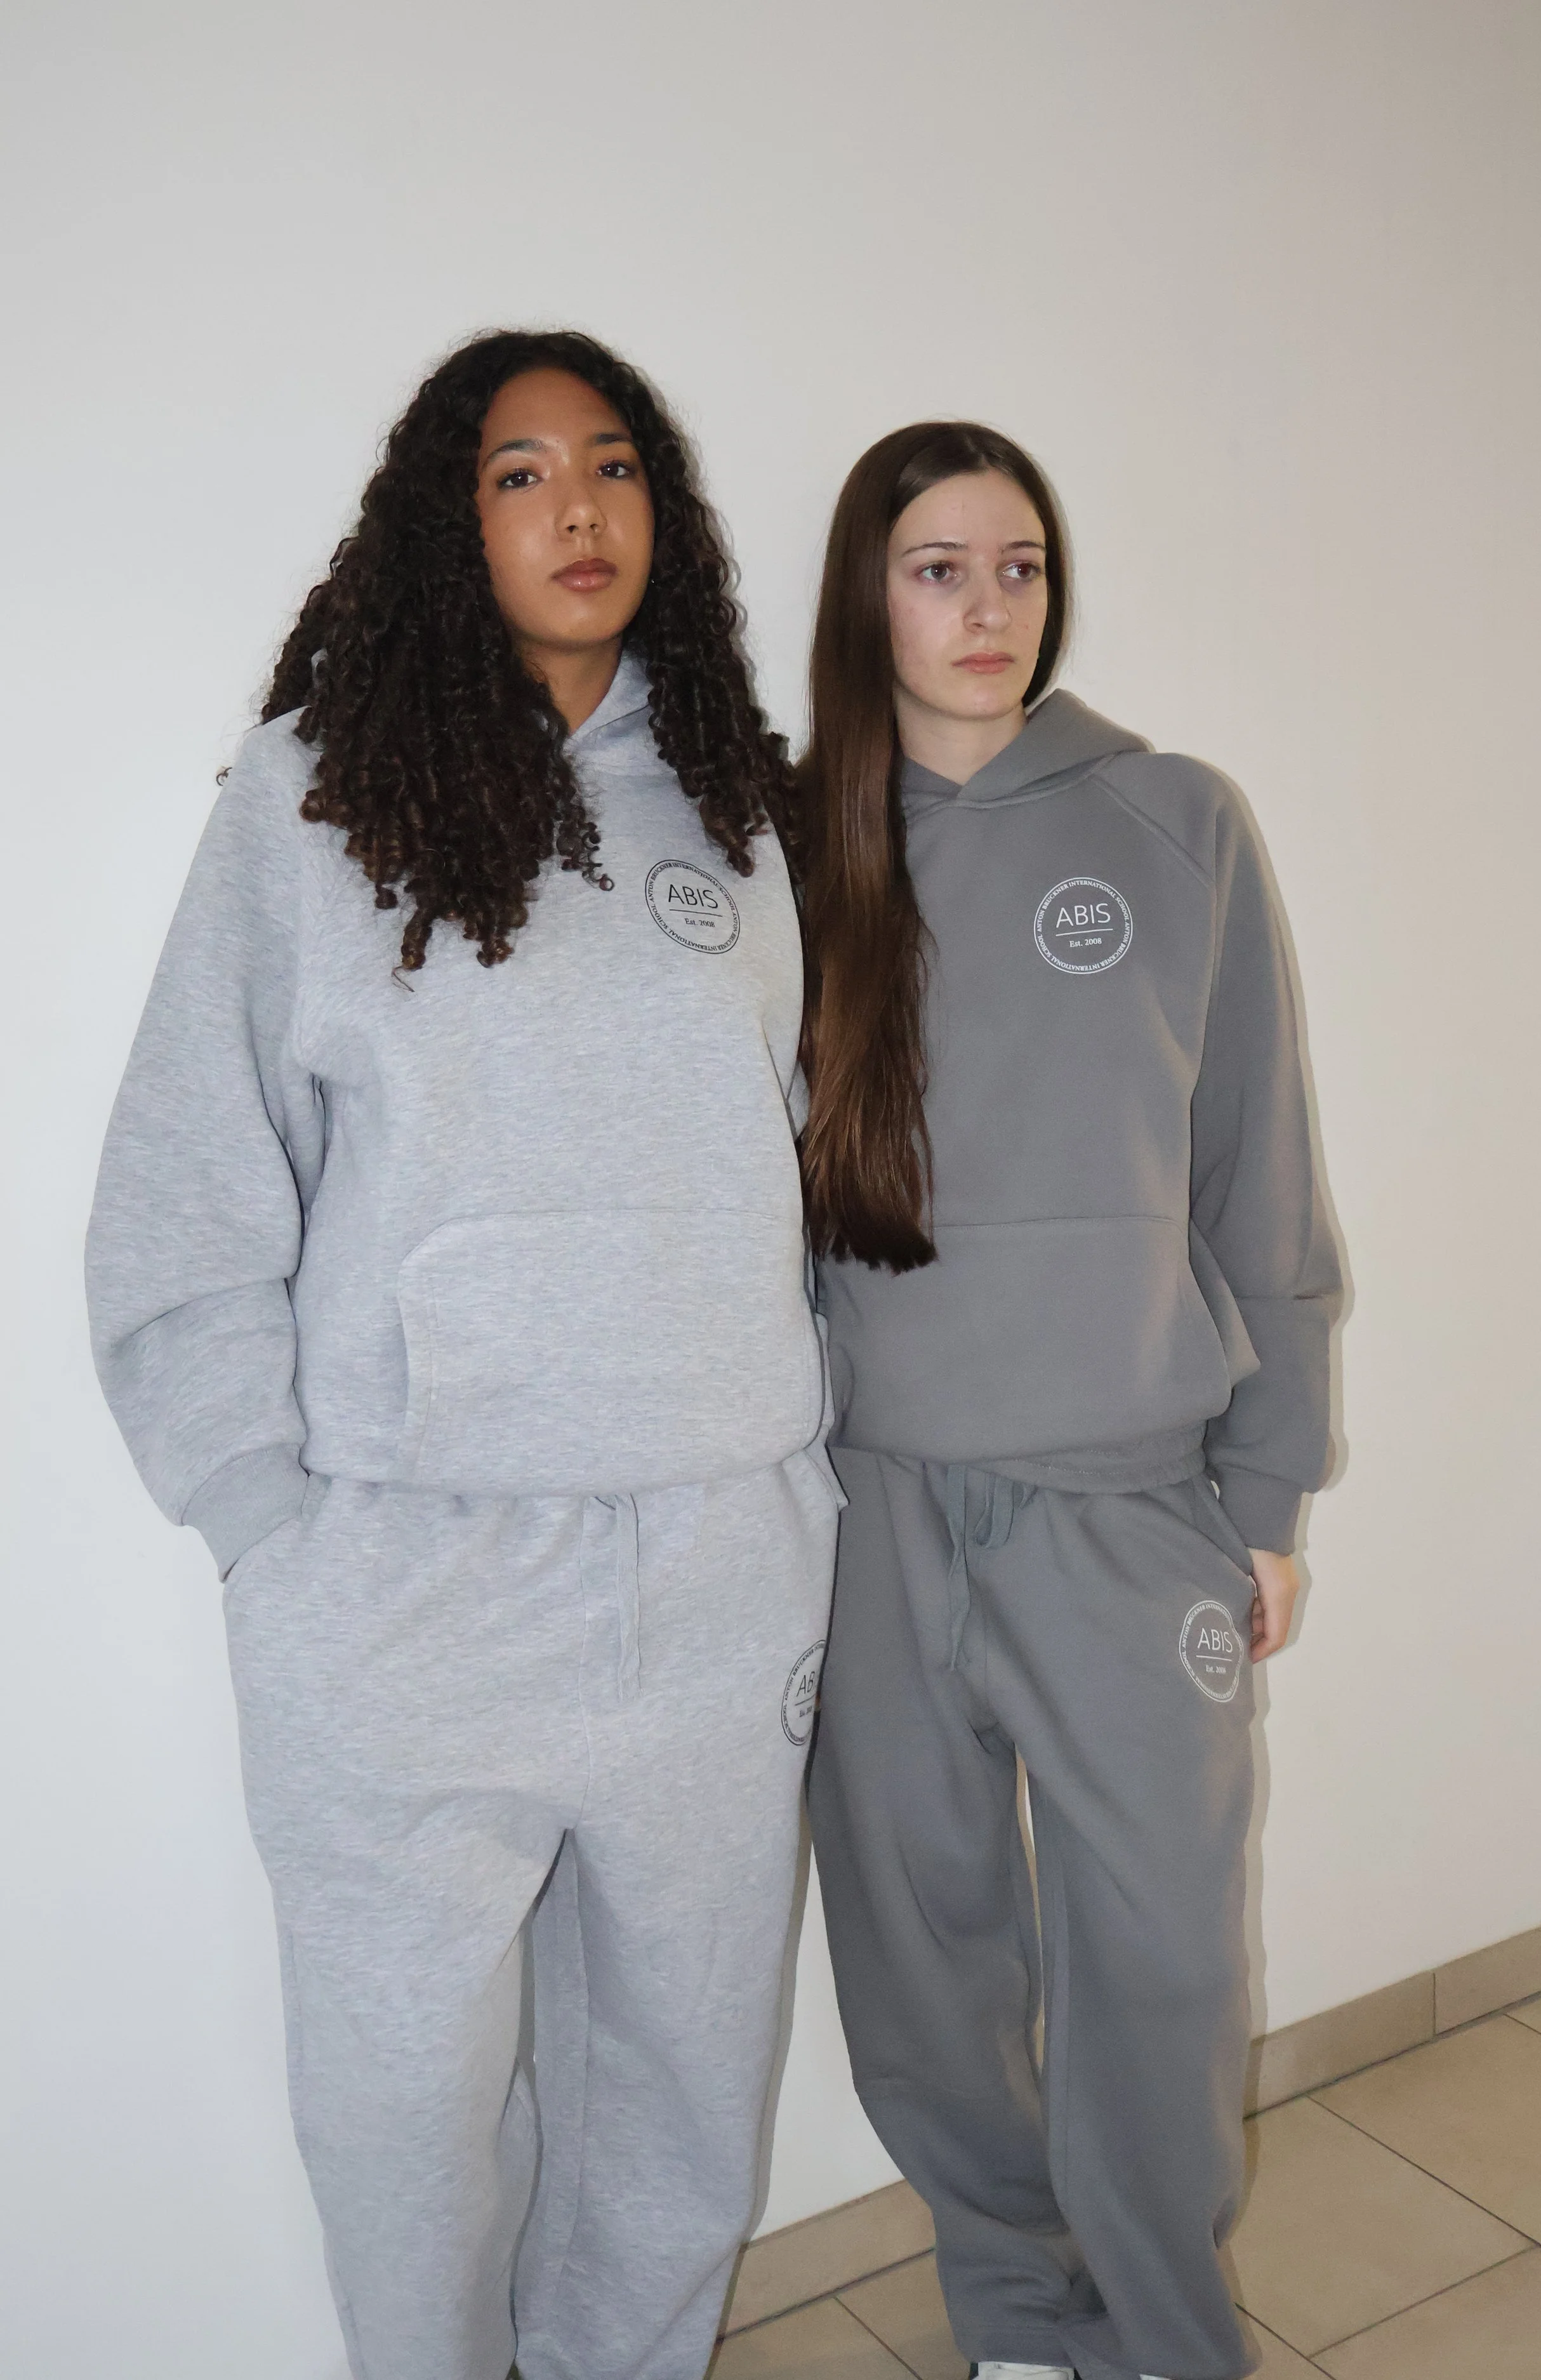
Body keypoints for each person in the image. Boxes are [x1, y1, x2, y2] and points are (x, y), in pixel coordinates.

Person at [86, 328, 840, 2380]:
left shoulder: (731, 814)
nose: (577, 507)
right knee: (406, 2139)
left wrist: (798, 1467)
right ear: (451, 519)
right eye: (520, 473)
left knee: (679, 2113)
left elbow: (773, 1157)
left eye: (612, 464)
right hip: (408, 1592)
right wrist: (272, 1525)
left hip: (717, 1572)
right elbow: (183, 1190)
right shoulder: (310, 802)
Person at [798, 422, 1340, 2380]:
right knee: (925, 1961)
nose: (986, 608)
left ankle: (1165, 2338)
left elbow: (1256, 1175)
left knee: (1161, 1952)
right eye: (936, 569)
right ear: (866, 596)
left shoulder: (1176, 820)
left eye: (1015, 565)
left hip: (1126, 1499)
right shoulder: (787, 850)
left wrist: (1267, 1488)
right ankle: (1020, 2316)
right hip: (868, 1509)